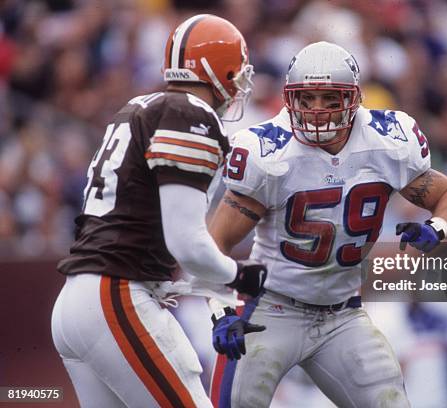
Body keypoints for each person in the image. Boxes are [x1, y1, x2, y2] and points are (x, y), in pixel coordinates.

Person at [207, 41, 447, 408]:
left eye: (331, 98)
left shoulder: (385, 141)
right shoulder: (267, 151)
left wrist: (436, 228)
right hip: (271, 309)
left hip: (343, 316)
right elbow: (215, 243)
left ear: (354, 98)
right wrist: (220, 311)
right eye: (308, 98)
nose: (317, 110)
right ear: (291, 99)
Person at [51, 14, 267, 408]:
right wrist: (242, 277)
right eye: (237, 72)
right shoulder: (188, 115)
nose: (238, 85)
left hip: (78, 302)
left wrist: (218, 303)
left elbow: (182, 232)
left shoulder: (141, 106)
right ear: (220, 69)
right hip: (116, 296)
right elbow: (186, 242)